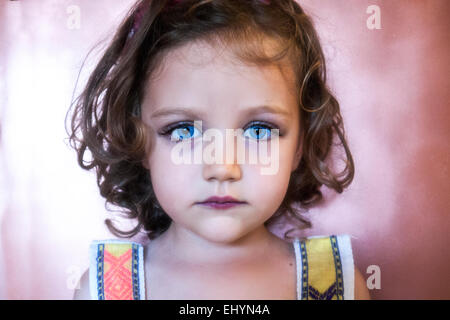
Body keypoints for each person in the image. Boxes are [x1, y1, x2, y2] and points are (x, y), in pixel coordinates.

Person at [69, 0, 370, 300]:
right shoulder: (102, 291)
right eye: (183, 130)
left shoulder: (338, 284)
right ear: (139, 140)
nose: (223, 168)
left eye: (259, 130)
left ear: (299, 146)